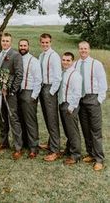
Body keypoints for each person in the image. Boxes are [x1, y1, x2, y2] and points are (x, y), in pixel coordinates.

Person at [74, 41, 107, 171]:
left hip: (93, 98)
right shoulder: (75, 64)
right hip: (80, 99)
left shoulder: (96, 64)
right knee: (85, 128)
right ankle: (90, 153)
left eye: (85, 48)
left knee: (95, 130)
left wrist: (99, 100)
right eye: (81, 49)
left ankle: (99, 158)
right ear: (78, 50)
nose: (83, 51)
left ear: (89, 49)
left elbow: (103, 83)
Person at [0, 32, 23, 160]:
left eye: (7, 41)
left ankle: (18, 147)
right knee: (2, 117)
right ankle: (4, 142)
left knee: (13, 118)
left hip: (10, 93)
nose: (5, 43)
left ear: (10, 42)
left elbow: (19, 75)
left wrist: (12, 90)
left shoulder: (15, 55)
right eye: (3, 41)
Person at [39, 33, 62, 162]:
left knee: (52, 119)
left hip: (50, 88)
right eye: (43, 42)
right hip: (42, 87)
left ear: (51, 42)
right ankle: (50, 143)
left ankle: (55, 150)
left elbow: (58, 77)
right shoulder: (42, 55)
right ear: (40, 43)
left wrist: (52, 92)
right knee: (47, 117)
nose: (45, 45)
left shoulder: (54, 56)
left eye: (47, 42)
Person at [18, 39, 42, 159]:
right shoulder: (17, 58)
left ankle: (34, 147)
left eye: (25, 45)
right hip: (18, 93)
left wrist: (33, 96)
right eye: (21, 45)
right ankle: (25, 143)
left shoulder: (34, 61)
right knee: (21, 119)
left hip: (29, 92)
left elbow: (38, 80)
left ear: (28, 47)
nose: (22, 47)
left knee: (30, 121)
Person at [58, 52, 82, 165]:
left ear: (72, 61)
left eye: (68, 60)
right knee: (67, 129)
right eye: (64, 60)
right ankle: (69, 149)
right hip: (63, 103)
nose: (65, 62)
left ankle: (75, 154)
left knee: (72, 131)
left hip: (70, 105)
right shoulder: (64, 72)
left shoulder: (75, 74)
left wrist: (71, 107)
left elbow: (77, 93)